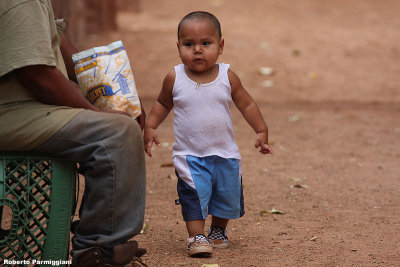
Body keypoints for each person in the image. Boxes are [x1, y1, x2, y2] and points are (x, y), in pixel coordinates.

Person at [0, 1, 147, 266]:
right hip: (10, 110)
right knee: (117, 134)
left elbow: (56, 40)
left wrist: (114, 94)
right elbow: (37, 75)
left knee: (118, 122)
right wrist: (98, 112)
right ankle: (99, 252)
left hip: (21, 106)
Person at [143, 11, 273, 257]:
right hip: (189, 155)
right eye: (189, 44)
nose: (197, 50)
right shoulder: (175, 77)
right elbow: (162, 104)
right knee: (193, 193)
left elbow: (247, 104)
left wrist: (261, 130)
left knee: (226, 194)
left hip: (224, 152)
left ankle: (218, 230)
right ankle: (196, 236)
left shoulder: (227, 77)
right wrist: (150, 127)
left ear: (220, 46)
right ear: (178, 46)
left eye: (206, 43)